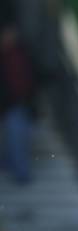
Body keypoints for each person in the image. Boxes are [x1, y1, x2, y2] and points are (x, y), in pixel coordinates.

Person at [0, 18, 38, 184]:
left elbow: (23, 83)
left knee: (17, 136)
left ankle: (21, 173)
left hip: (15, 104)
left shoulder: (17, 55)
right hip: (10, 104)